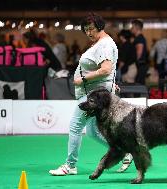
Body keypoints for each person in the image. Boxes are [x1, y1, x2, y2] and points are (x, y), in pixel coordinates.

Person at [49, 13, 129, 175]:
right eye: (86, 30)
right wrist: (110, 82)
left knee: (75, 125)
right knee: (93, 132)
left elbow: (106, 68)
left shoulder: (104, 44)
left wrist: (82, 79)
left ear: (100, 27)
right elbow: (107, 70)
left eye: (91, 29)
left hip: (94, 95)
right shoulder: (100, 43)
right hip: (96, 91)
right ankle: (125, 151)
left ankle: (70, 165)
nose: (88, 33)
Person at [130, 19, 149, 85]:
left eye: (132, 27)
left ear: (137, 28)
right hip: (141, 64)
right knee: (140, 83)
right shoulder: (139, 38)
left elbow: (139, 53)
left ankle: (141, 95)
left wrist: (134, 63)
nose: (131, 29)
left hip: (140, 65)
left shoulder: (139, 38)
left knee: (139, 84)